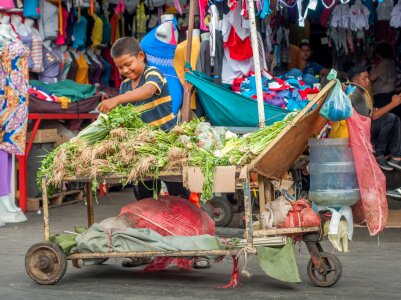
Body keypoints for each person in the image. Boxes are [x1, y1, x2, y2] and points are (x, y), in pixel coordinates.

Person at [97, 37, 177, 131]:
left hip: (167, 136)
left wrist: (115, 100)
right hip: (144, 140)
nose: (125, 70)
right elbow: (126, 114)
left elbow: (148, 91)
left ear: (141, 56)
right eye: (120, 67)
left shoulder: (152, 73)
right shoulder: (124, 85)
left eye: (128, 64)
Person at [347, 64, 401, 172]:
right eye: (364, 78)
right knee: (390, 118)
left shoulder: (363, 92)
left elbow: (370, 111)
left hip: (365, 129)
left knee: (395, 120)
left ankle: (396, 157)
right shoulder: (355, 93)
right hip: (359, 133)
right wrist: (393, 104)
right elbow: (372, 116)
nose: (368, 81)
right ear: (355, 80)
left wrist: (375, 110)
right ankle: (379, 154)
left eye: (368, 78)